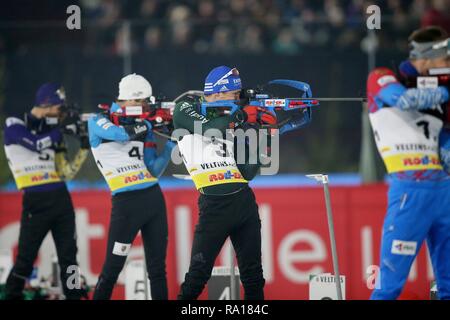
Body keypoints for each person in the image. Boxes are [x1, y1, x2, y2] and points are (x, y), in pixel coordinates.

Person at [173, 66, 277, 300]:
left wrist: (266, 133)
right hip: (214, 207)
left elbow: (248, 171)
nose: (238, 100)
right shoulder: (185, 107)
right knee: (197, 277)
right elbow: (212, 130)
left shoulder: (230, 119)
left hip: (244, 202)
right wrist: (241, 116)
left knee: (253, 277)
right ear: (218, 93)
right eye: (234, 94)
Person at [366, 26, 450, 300]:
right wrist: (446, 92)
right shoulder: (382, 76)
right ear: (427, 58)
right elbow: (401, 99)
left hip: (444, 191)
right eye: (445, 60)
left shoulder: (440, 91)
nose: (448, 65)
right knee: (388, 286)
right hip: (409, 192)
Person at [89, 73, 175, 300]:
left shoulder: (142, 126)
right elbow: (118, 135)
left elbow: (153, 170)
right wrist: (146, 123)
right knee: (111, 270)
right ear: (129, 100)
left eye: (147, 104)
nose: (146, 107)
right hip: (126, 205)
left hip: (153, 199)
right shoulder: (98, 120)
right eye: (142, 102)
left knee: (157, 271)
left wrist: (171, 144)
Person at [3, 83, 89, 300]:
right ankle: (12, 295)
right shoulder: (14, 124)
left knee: (69, 257)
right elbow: (34, 144)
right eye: (58, 108)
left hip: (61, 198)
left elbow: (66, 173)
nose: (61, 113)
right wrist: (61, 130)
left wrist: (82, 142)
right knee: (25, 259)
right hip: (36, 202)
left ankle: (74, 295)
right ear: (47, 104)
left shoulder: (52, 130)